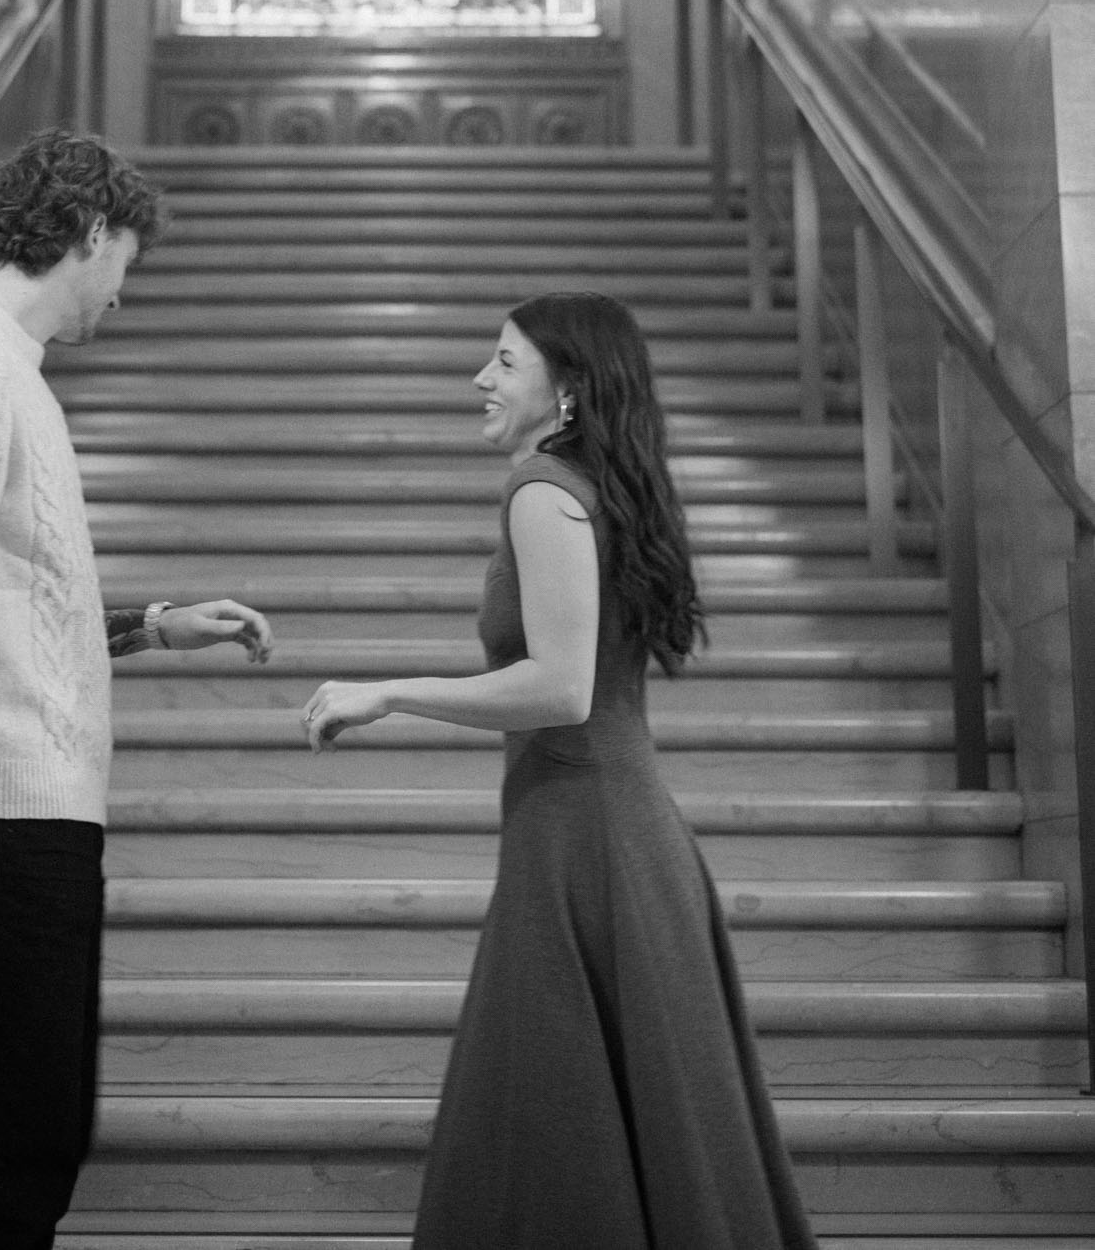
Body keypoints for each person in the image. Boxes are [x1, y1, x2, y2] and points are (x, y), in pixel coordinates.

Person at [303, 291, 816, 1250]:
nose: (480, 379)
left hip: (585, 836)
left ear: (567, 389)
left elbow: (560, 689)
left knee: (559, 1115)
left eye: (504, 361)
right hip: (609, 829)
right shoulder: (594, 487)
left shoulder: (543, 488)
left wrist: (389, 691)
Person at [0, 127, 274, 1250]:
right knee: (11, 1158)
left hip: (26, 812)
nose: (124, 296)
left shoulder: (1, 368)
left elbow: (1, 606)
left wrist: (149, 626)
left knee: (25, 1144)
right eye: (126, 262)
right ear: (88, 232)